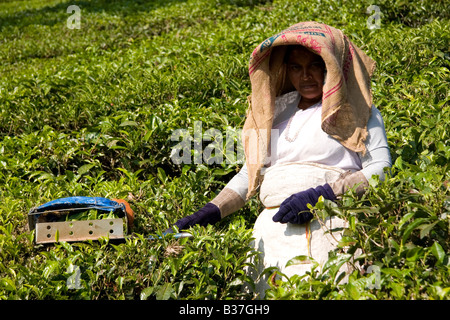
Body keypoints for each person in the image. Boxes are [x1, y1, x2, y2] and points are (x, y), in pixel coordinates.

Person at [167, 21, 392, 298]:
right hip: (271, 235)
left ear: (330, 67)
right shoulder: (275, 111)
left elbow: (380, 169)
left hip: (331, 227)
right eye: (296, 67)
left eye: (314, 65)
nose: (305, 76)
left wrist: (322, 195)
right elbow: (249, 176)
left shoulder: (357, 110)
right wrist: (206, 214)